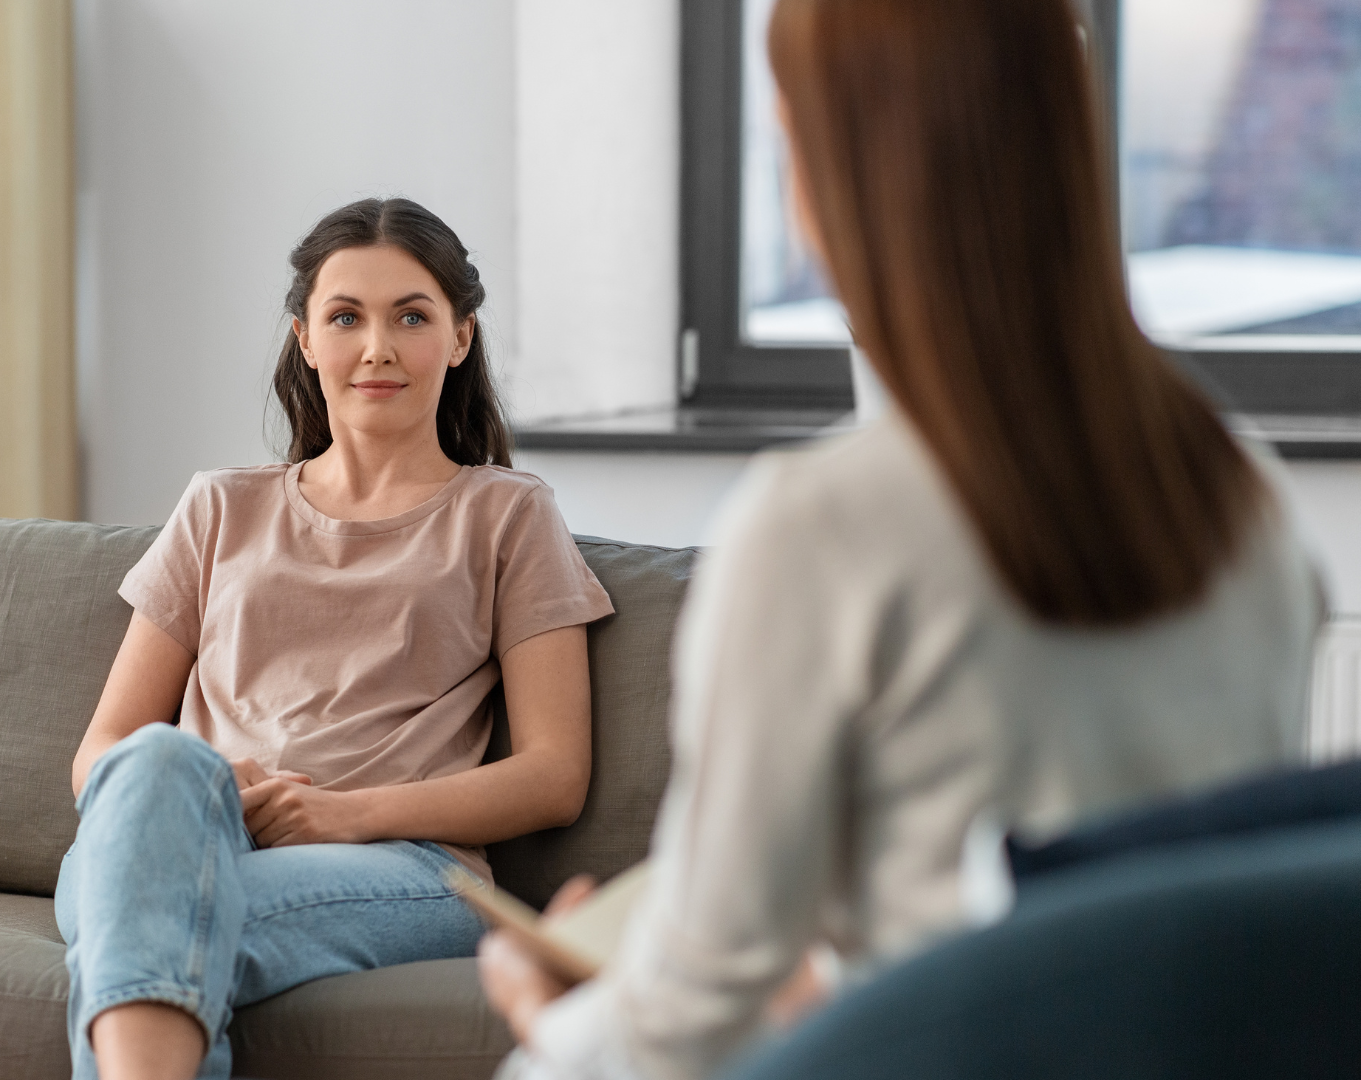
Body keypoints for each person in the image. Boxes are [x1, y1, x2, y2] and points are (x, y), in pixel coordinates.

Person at [476, 0, 1326, 1077]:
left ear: (841, 171)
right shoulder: (1238, 484)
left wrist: (542, 1008)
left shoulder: (821, 525)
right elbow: (1118, 925)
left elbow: (682, 1022)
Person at [55, 197, 615, 1080]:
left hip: (400, 865)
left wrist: (344, 812)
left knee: (144, 928)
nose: (377, 348)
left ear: (460, 337)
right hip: (183, 833)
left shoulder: (508, 515)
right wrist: (209, 785)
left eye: (412, 317)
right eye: (346, 317)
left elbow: (555, 776)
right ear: (305, 339)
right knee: (160, 775)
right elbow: (101, 756)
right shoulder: (218, 505)